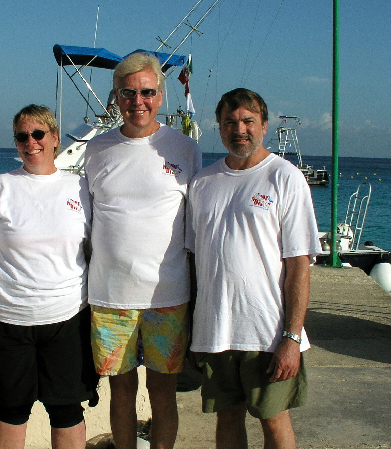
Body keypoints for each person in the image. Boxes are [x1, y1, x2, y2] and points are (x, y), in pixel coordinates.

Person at [187, 88, 321, 449]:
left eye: (248, 121)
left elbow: (299, 267)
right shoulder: (202, 183)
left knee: (274, 421)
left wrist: (291, 338)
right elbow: (193, 260)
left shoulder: (285, 177)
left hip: (268, 332)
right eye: (230, 122)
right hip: (215, 331)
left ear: (264, 125)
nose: (239, 129)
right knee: (227, 419)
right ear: (219, 127)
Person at [84, 52, 202, 449]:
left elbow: (200, 221)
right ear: (115, 97)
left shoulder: (185, 149)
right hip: (109, 296)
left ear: (161, 96)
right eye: (128, 93)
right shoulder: (95, 150)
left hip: (167, 295)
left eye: (147, 92)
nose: (138, 101)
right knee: (120, 393)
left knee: (163, 394)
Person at [0, 104, 97, 449]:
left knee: (67, 410)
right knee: (11, 411)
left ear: (55, 138)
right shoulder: (0, 187)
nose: (31, 142)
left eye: (38, 134)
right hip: (8, 321)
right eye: (22, 136)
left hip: (67, 318)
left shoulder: (81, 188)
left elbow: (96, 250)